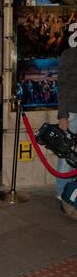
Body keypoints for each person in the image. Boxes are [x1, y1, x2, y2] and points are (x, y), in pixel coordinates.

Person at [56, 46, 77, 202]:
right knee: (66, 155)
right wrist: (63, 114)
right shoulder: (70, 54)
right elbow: (62, 84)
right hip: (72, 112)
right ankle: (62, 194)